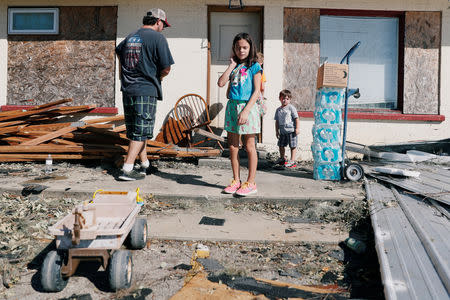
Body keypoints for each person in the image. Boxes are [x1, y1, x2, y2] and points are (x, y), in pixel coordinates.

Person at [115, 8, 174, 181]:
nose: (163, 28)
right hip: (145, 89)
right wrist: (157, 77)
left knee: (136, 131)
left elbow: (119, 52)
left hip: (128, 90)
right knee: (141, 131)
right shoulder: (158, 38)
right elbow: (166, 68)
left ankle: (145, 163)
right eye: (163, 24)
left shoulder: (130, 37)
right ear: (158, 21)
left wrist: (123, 77)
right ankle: (127, 168)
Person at [217, 32, 262, 196]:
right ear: (234, 49)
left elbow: (257, 91)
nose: (241, 50)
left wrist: (246, 111)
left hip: (247, 108)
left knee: (249, 146)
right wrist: (231, 65)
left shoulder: (255, 66)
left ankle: (251, 182)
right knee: (233, 146)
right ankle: (236, 180)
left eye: (244, 47)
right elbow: (221, 83)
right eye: (238, 47)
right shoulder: (235, 66)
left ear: (250, 48)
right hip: (232, 108)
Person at [274, 89, 300, 168]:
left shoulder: (291, 108)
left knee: (292, 145)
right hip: (282, 131)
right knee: (281, 145)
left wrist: (297, 128)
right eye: (283, 98)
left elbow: (296, 118)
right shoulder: (278, 110)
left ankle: (292, 161)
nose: (285, 100)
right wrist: (277, 131)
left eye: (287, 99)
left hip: (291, 130)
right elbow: (277, 121)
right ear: (280, 98)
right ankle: (282, 158)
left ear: (290, 99)